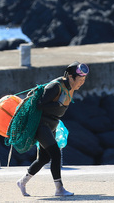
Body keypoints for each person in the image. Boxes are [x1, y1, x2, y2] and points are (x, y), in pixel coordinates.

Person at [17, 61, 89, 197]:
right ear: (71, 77)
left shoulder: (71, 87)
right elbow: (39, 105)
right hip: (41, 125)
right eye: (80, 79)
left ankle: (22, 182)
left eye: (84, 80)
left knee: (44, 158)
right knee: (55, 154)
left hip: (52, 125)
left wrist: (58, 106)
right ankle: (59, 189)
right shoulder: (55, 87)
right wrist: (58, 103)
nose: (82, 82)